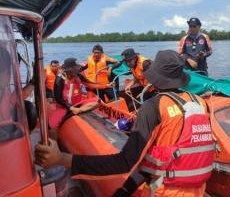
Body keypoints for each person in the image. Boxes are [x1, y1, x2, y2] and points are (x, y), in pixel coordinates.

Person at [35, 50, 215, 197]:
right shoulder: (200, 102)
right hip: (198, 190)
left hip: (165, 192)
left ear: (155, 78)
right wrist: (123, 191)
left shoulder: (153, 106)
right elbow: (162, 158)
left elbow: (125, 162)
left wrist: (63, 159)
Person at [49, 58, 98, 128]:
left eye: (76, 68)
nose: (76, 70)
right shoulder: (60, 78)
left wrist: (107, 85)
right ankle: (71, 113)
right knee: (52, 124)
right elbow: (58, 97)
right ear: (69, 69)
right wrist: (70, 107)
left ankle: (78, 110)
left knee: (97, 102)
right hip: (65, 105)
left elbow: (89, 83)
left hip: (77, 104)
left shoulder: (77, 75)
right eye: (75, 68)